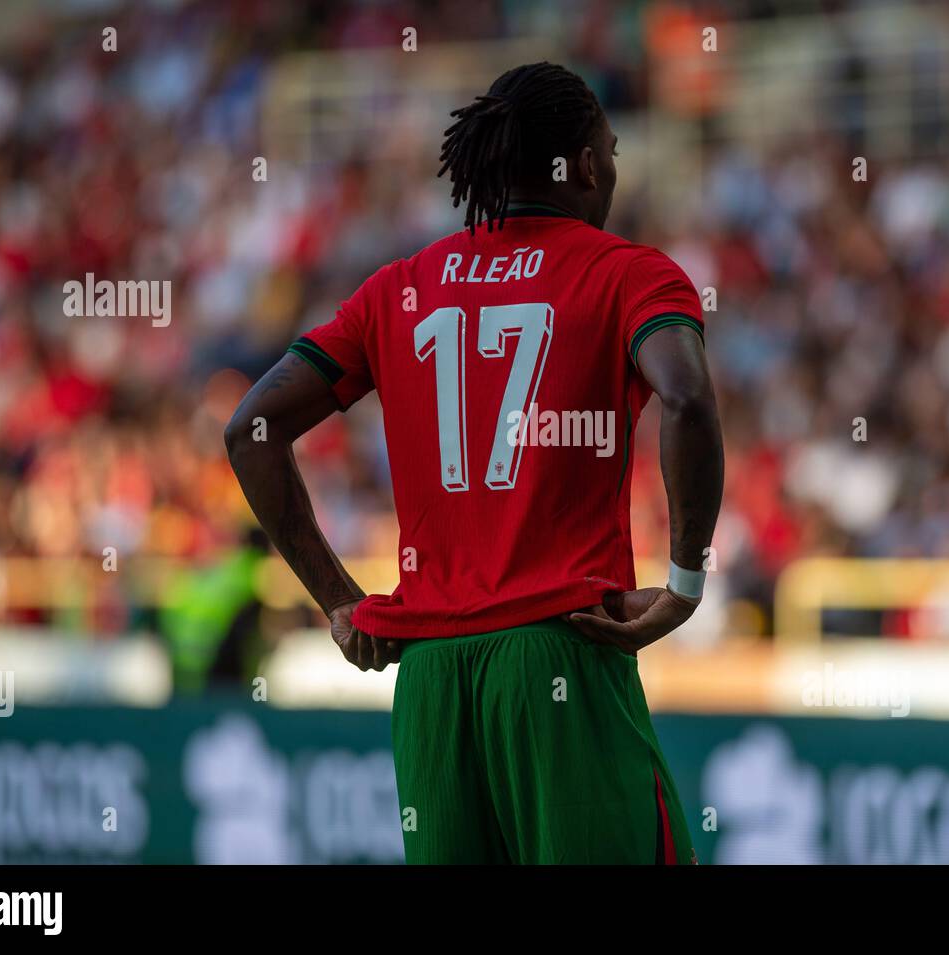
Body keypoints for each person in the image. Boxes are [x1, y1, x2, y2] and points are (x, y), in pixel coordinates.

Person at [226, 62, 724, 864]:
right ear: (589, 165)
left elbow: (251, 427)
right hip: (559, 653)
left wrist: (340, 602)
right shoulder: (628, 272)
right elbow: (690, 400)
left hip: (429, 683)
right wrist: (687, 581)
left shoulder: (398, 288)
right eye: (613, 149)